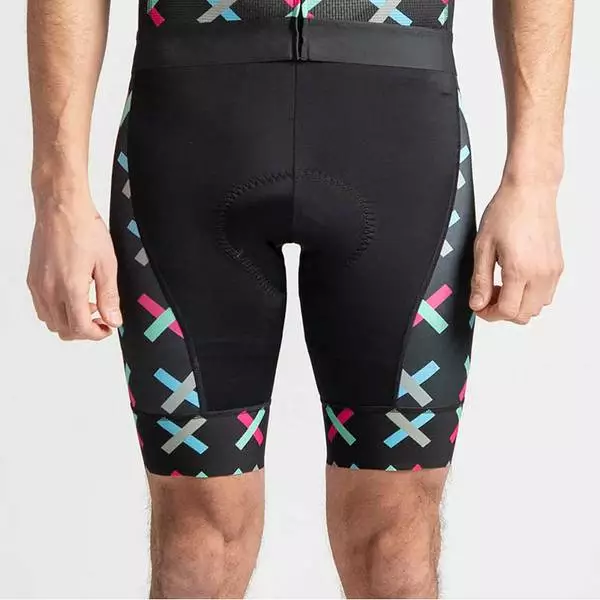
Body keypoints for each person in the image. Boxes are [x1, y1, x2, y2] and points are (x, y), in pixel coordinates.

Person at [25, 0, 572, 597]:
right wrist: (58, 196)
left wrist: (534, 180)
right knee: (195, 545)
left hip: (400, 139)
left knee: (396, 544)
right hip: (189, 134)